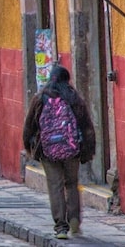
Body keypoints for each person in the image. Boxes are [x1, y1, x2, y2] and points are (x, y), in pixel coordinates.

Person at [22, 65, 96, 240]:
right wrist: (87, 151)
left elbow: (29, 127)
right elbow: (87, 128)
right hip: (72, 150)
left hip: (48, 151)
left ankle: (61, 227)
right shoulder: (74, 98)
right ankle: (75, 219)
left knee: (55, 186)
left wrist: (29, 147)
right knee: (71, 184)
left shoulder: (40, 98)